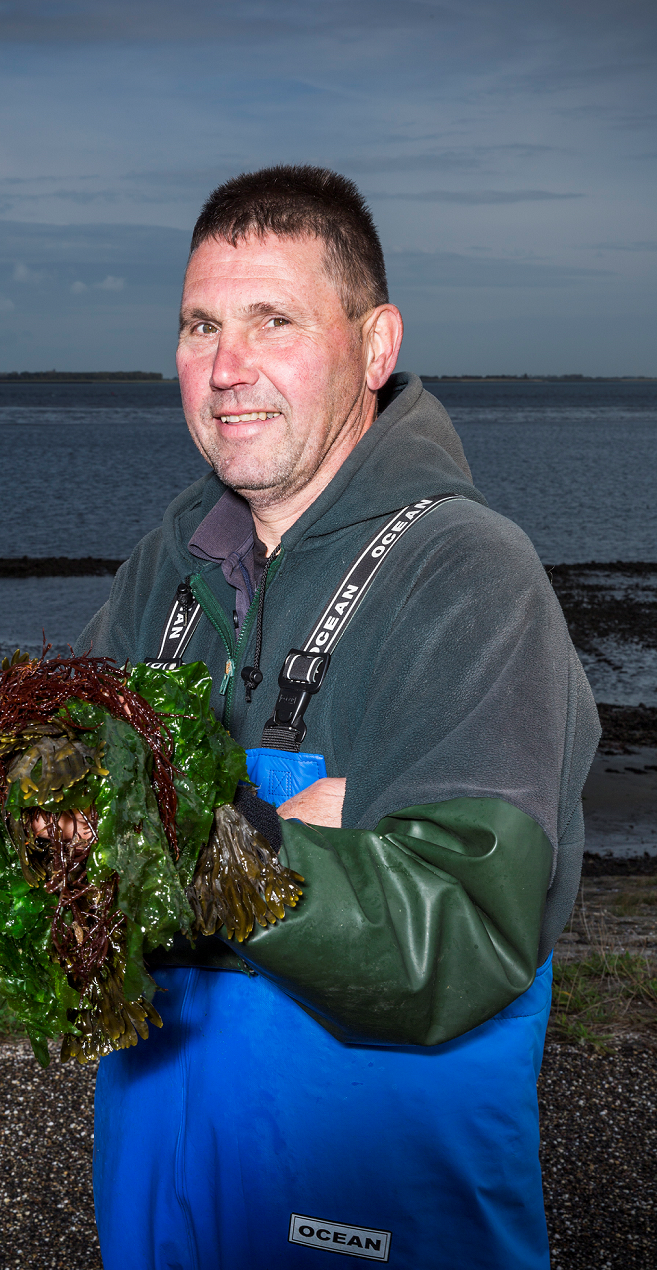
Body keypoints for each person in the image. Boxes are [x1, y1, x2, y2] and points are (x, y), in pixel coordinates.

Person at [75, 165, 600, 1270]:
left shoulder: (467, 578)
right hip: (154, 1211)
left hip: (374, 1221)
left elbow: (456, 929)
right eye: (199, 324)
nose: (225, 368)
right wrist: (304, 835)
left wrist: (205, 843)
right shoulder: (158, 580)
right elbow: (58, 870)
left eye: (273, 321)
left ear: (373, 345)